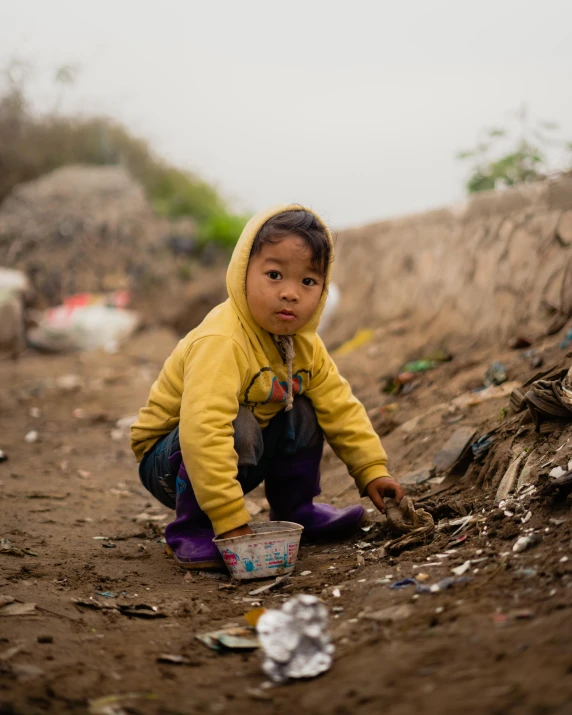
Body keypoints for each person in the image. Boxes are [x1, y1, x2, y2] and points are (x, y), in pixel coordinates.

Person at [130, 205, 404, 569]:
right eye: (274, 275)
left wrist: (372, 470)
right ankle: (192, 528)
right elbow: (202, 431)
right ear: (242, 273)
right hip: (169, 462)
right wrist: (230, 520)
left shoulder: (305, 345)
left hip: (238, 455)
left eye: (308, 281)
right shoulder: (222, 340)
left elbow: (341, 407)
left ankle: (296, 510)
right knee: (237, 421)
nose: (291, 293)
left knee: (306, 409)